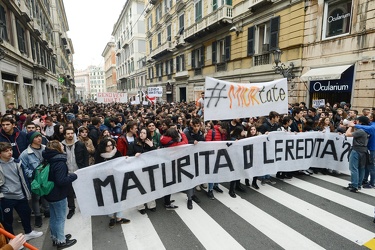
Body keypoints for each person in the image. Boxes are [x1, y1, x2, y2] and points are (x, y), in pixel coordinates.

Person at [0, 142, 43, 241]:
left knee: (26, 214)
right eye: (6, 151)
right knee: (7, 220)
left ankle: (29, 232)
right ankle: (12, 240)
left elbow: (24, 179)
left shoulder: (17, 162)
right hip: (6, 198)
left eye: (10, 150)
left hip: (20, 194)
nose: (10, 152)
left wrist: (27, 192)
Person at [42, 140, 77, 249]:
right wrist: (73, 176)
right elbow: (61, 181)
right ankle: (61, 241)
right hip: (58, 194)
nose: (63, 146)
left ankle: (55, 237)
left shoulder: (48, 158)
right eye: (62, 145)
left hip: (50, 193)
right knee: (60, 218)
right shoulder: (59, 162)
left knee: (53, 217)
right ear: (58, 148)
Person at [95, 137, 131, 228]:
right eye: (108, 146)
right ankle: (111, 216)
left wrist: (124, 159)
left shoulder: (116, 152)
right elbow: (97, 168)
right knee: (108, 198)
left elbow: (120, 163)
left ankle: (119, 217)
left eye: (111, 145)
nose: (110, 148)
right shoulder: (99, 155)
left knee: (119, 196)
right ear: (103, 147)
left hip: (117, 178)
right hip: (105, 180)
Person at [19, 131, 50, 228]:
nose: (39, 138)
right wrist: (32, 175)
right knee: (36, 198)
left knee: (45, 194)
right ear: (32, 139)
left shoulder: (45, 148)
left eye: (39, 136)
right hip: (34, 179)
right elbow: (22, 168)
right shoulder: (25, 154)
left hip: (45, 177)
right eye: (36, 137)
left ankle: (47, 210)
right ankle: (37, 216)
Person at [127, 128, 157, 214]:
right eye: (141, 132)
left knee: (150, 187)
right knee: (139, 188)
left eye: (144, 133)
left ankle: (151, 205)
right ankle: (140, 206)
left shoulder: (150, 143)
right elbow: (129, 155)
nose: (142, 134)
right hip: (138, 169)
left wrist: (151, 146)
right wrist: (134, 155)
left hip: (149, 168)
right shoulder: (134, 143)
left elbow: (155, 155)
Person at [61, 127, 89, 219]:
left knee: (82, 190)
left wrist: (85, 169)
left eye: (71, 133)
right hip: (67, 172)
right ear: (64, 135)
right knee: (69, 192)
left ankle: (84, 206)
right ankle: (71, 209)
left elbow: (85, 157)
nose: (70, 135)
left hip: (79, 171)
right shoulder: (61, 145)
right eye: (68, 133)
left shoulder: (80, 144)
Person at [160, 127, 188, 210]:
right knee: (169, 185)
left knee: (167, 184)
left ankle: (167, 200)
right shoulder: (174, 144)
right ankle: (167, 204)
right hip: (171, 165)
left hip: (165, 164)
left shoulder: (163, 139)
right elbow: (185, 142)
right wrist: (182, 133)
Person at [344, 116, 370, 193]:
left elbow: (347, 134)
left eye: (357, 121)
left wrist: (350, 126)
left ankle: (354, 185)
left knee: (353, 168)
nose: (356, 122)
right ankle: (358, 184)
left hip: (357, 150)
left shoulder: (361, 131)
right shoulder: (367, 130)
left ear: (360, 122)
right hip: (364, 150)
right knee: (361, 168)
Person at [183, 118, 204, 209]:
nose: (196, 128)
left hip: (197, 159)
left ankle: (193, 194)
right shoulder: (187, 133)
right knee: (189, 179)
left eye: (198, 126)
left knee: (195, 178)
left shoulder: (200, 133)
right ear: (192, 125)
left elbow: (203, 142)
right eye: (195, 126)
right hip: (189, 159)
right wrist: (192, 142)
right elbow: (185, 142)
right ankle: (189, 199)